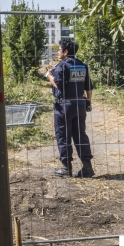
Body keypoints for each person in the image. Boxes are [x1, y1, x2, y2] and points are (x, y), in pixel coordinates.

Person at [45, 39, 95, 178]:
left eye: (60, 50)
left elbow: (57, 84)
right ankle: (87, 167)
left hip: (64, 106)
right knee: (80, 136)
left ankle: (66, 168)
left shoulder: (62, 66)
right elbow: (88, 88)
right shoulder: (82, 66)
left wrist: (49, 75)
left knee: (63, 136)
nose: (58, 52)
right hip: (80, 104)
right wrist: (88, 103)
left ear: (66, 52)